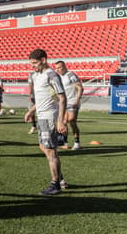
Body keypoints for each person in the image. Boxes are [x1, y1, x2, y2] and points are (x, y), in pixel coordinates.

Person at [24, 49, 68, 195]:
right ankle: (59, 178)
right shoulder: (38, 75)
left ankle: (55, 184)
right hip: (42, 116)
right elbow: (45, 97)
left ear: (43, 60)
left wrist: (60, 121)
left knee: (50, 150)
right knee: (43, 147)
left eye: (35, 63)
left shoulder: (51, 75)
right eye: (31, 63)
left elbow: (62, 98)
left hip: (49, 117)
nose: (33, 66)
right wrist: (31, 111)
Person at [55, 61, 84, 150]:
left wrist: (77, 100)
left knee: (71, 121)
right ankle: (65, 143)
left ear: (64, 66)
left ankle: (77, 142)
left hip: (72, 102)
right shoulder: (58, 77)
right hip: (63, 102)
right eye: (56, 68)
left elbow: (80, 88)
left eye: (59, 68)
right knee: (63, 122)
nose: (58, 70)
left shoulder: (71, 75)